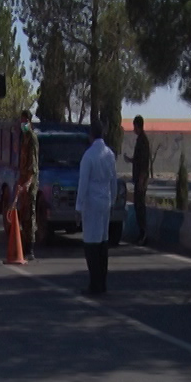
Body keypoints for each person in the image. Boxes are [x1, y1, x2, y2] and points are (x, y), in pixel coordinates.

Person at [76, 120, 118, 295]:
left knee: (91, 243)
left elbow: (83, 183)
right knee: (103, 242)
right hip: (105, 202)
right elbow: (114, 180)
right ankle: (103, 283)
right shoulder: (109, 154)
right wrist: (113, 200)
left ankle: (94, 284)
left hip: (92, 204)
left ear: (91, 135)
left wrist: (78, 207)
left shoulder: (89, 156)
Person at [123, 115, 150, 245]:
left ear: (138, 126)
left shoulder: (143, 141)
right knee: (138, 206)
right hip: (139, 179)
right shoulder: (140, 140)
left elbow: (144, 163)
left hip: (141, 180)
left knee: (140, 207)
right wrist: (129, 159)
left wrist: (141, 180)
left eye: (134, 126)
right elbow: (138, 159)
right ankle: (141, 233)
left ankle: (143, 233)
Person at [17, 109, 39, 261]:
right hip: (23, 180)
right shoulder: (24, 138)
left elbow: (32, 165)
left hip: (30, 184)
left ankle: (30, 248)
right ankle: (24, 246)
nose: (22, 124)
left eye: (25, 121)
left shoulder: (32, 138)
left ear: (29, 122)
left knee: (29, 214)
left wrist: (27, 183)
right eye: (21, 121)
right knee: (23, 213)